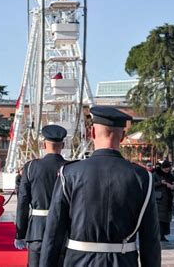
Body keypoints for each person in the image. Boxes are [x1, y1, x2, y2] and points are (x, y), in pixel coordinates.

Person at [40, 106, 161, 267]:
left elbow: (53, 234)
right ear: (123, 136)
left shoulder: (69, 173)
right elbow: (150, 240)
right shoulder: (142, 177)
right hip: (123, 261)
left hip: (78, 261)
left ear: (92, 133)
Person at [14, 124, 69, 266]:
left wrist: (20, 233)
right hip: (62, 230)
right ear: (62, 145)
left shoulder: (31, 167)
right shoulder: (70, 168)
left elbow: (23, 202)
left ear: (44, 144)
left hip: (37, 231)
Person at [154, 160, 174, 241]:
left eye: (168, 168)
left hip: (167, 200)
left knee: (166, 219)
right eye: (165, 168)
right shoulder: (156, 174)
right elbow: (152, 184)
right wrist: (160, 182)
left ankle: (163, 235)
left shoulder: (170, 175)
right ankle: (159, 235)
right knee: (159, 220)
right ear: (162, 168)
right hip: (159, 200)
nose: (167, 170)